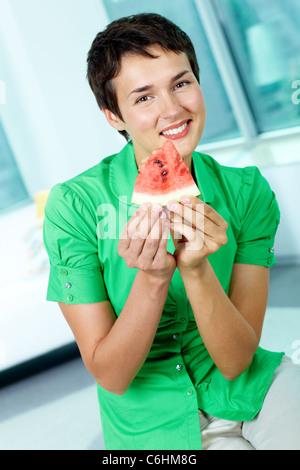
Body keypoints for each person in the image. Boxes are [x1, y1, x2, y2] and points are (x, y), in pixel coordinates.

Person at [43, 13, 300, 450]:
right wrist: (154, 277)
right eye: (143, 98)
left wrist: (197, 271)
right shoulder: (75, 206)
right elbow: (111, 373)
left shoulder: (247, 191)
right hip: (150, 426)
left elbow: (238, 361)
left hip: (252, 389)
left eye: (181, 83)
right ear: (113, 117)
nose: (173, 109)